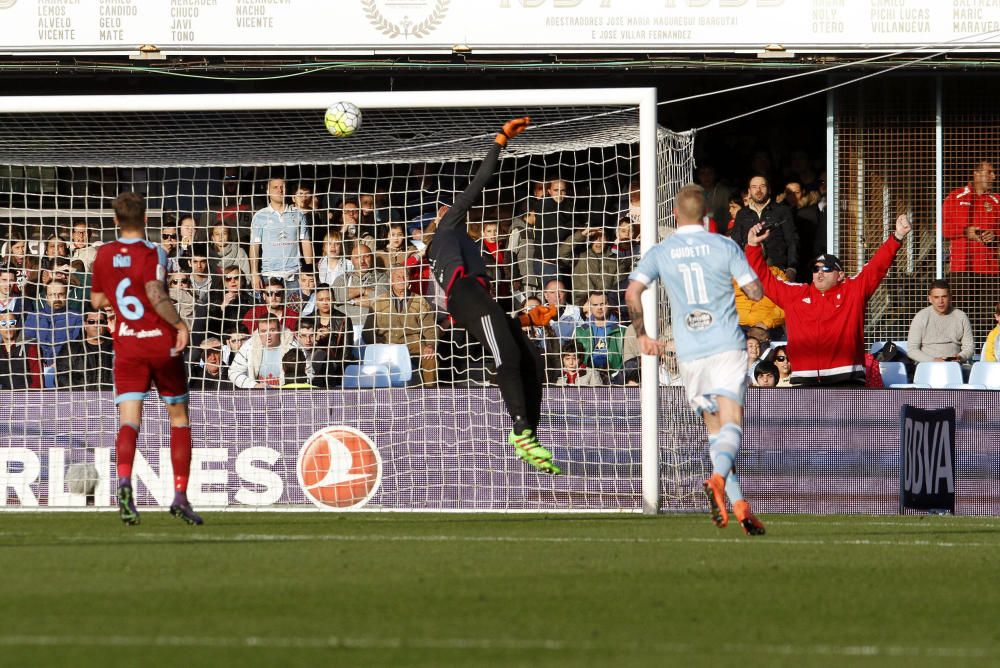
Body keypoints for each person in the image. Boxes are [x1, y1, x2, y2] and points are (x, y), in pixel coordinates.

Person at [625, 184, 766, 536]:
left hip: (690, 352)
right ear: (706, 216)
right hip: (726, 345)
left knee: (716, 431)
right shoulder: (724, 245)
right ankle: (718, 479)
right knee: (732, 419)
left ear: (674, 214)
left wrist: (643, 336)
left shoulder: (662, 251)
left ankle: (738, 504)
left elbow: (632, 292)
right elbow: (755, 291)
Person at [425, 116, 557, 474]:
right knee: (508, 357)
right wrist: (500, 140)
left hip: (474, 301)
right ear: (436, 222)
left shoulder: (455, 242)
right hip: (466, 294)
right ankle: (519, 430)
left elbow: (486, 318)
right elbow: (479, 184)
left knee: (530, 355)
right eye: (442, 210)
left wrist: (525, 319)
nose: (449, 208)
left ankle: (530, 435)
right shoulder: (447, 228)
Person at [90, 192, 203, 526]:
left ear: (115, 221)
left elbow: (97, 301)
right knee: (179, 418)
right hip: (160, 344)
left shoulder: (104, 254)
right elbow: (155, 293)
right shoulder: (157, 251)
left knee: (129, 421)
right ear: (146, 220)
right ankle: (180, 496)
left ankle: (124, 483)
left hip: (127, 346)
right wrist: (179, 324)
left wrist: (116, 299)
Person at [746, 213, 912, 385]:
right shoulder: (796, 294)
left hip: (847, 379)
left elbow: (877, 266)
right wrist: (752, 245)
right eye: (815, 268)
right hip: (805, 380)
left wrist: (897, 236)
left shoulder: (853, 290)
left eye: (826, 268)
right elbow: (764, 279)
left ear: (840, 275)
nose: (819, 272)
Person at [943, 160, 1000, 340]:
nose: (993, 176)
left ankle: (986, 360)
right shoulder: (956, 197)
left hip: (990, 271)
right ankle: (961, 359)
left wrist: (995, 235)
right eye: (989, 172)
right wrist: (964, 232)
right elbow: (942, 227)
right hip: (962, 269)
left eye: (993, 173)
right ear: (976, 174)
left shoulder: (997, 200)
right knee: (960, 317)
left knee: (988, 319)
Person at [366, 266, 438, 386]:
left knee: (430, 357)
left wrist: (430, 345)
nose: (402, 279)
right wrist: (380, 343)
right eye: (398, 276)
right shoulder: (378, 302)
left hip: (412, 346)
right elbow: (367, 332)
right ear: (391, 281)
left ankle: (430, 395)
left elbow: (430, 330)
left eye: (405, 276)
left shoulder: (420, 301)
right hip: (385, 346)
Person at [249, 177, 314, 295]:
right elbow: (255, 246)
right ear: (268, 191)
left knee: (294, 312)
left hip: (294, 275)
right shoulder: (260, 216)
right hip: (269, 275)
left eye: (282, 187)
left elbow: (305, 242)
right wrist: (254, 273)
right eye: (275, 187)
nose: (279, 190)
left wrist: (310, 271)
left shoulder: (298, 214)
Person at [731, 175, 799, 281]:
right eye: (754, 187)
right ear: (749, 191)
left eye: (762, 186)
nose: (758, 190)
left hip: (778, 272)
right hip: (749, 272)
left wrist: (792, 268)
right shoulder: (742, 214)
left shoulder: (783, 211)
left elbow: (792, 241)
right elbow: (736, 244)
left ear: (769, 189)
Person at [23, 281, 83, 388]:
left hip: (65, 371)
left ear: (66, 295)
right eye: (52, 294)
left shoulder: (77, 317)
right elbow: (26, 345)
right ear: (46, 296)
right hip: (37, 370)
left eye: (60, 294)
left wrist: (59, 364)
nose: (56, 298)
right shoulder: (34, 316)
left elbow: (76, 346)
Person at [906, 279, 974, 364]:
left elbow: (969, 348)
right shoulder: (921, 317)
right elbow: (912, 350)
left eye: (944, 296)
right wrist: (934, 361)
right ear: (930, 299)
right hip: (927, 367)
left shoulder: (961, 317)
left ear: (950, 297)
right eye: (936, 297)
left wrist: (960, 357)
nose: (940, 301)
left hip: (955, 366)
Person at [228, 317, 295, 389]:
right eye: (263, 331)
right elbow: (233, 372)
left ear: (279, 330)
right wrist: (254, 385)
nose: (268, 335)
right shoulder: (249, 346)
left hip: (286, 395)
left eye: (272, 330)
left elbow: (308, 371)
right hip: (258, 395)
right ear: (258, 332)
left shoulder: (292, 346)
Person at [56, 308, 113, 390]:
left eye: (100, 322)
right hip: (79, 399)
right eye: (91, 322)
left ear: (106, 324)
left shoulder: (116, 349)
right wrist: (83, 394)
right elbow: (61, 378)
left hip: (110, 398)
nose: (96, 325)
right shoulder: (70, 349)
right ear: (85, 324)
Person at [574, 291, 625, 379]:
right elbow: (573, 357)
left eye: (602, 304)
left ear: (608, 304)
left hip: (615, 378)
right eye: (595, 305)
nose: (599, 308)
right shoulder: (580, 331)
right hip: (587, 377)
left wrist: (617, 375)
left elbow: (627, 360)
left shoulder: (622, 331)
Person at [0, 313, 43, 389]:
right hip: (6, 397)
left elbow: (38, 382)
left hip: (28, 397)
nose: (8, 326)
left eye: (12, 322)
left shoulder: (30, 346)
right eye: (3, 323)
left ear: (16, 325)